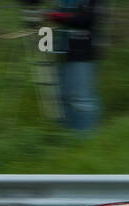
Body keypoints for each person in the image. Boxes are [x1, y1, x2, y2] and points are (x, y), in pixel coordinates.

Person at [43, 0, 100, 133]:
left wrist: (55, 16)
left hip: (82, 51)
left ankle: (84, 136)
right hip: (64, 50)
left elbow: (86, 20)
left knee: (81, 98)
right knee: (63, 96)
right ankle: (65, 136)